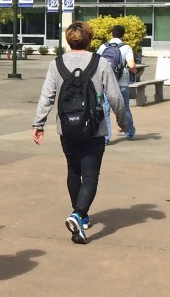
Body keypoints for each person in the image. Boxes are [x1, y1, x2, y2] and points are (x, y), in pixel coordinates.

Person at [32, 21, 126, 245]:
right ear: (90, 39)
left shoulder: (57, 64)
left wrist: (39, 123)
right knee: (91, 174)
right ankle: (78, 214)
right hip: (94, 129)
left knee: (74, 171)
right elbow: (115, 97)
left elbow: (47, 96)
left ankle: (81, 218)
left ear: (68, 40)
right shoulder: (100, 63)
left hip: (67, 128)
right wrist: (122, 121)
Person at [95, 25, 136, 143]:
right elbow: (132, 65)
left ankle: (105, 137)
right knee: (125, 108)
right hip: (122, 82)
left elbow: (97, 63)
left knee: (105, 110)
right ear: (123, 35)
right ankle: (129, 132)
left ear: (111, 34)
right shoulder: (126, 48)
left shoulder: (103, 47)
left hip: (106, 83)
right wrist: (134, 71)